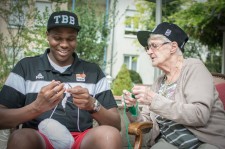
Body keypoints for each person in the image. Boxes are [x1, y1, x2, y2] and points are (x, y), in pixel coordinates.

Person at [0, 10, 122, 149]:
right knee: (20, 137)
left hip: (82, 140)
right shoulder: (26, 67)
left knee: (109, 135)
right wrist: (36, 107)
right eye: (57, 38)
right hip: (38, 138)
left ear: (76, 38)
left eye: (70, 39)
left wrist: (93, 105)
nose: (64, 45)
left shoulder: (92, 71)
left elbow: (116, 124)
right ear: (47, 36)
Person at [122, 22, 225, 149]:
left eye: (154, 45)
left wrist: (154, 99)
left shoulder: (194, 68)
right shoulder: (159, 81)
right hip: (169, 142)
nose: (149, 51)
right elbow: (146, 123)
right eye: (147, 47)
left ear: (173, 47)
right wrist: (132, 108)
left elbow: (200, 114)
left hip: (203, 141)